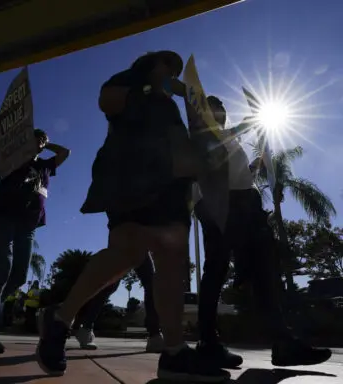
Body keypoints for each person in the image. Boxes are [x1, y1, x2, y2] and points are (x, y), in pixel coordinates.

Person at [36, 51, 229, 382]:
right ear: (150, 64)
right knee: (127, 251)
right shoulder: (129, 83)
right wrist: (147, 87)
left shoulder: (171, 106)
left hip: (172, 186)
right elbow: (108, 103)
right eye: (166, 65)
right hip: (132, 177)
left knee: (172, 262)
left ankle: (174, 352)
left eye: (177, 69)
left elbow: (179, 143)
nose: (172, 72)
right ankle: (61, 317)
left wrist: (201, 158)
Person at [194, 95, 332, 369]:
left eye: (220, 106)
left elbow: (233, 169)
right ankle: (208, 342)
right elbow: (212, 153)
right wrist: (253, 120)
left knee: (265, 273)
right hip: (218, 202)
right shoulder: (201, 136)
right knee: (216, 269)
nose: (218, 110)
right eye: (211, 106)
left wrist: (253, 168)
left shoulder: (229, 138)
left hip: (247, 205)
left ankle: (283, 342)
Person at [0, 127, 70, 353]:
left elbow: (65, 152)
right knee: (2, 266)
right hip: (1, 216)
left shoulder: (43, 166)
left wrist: (44, 143)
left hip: (28, 225)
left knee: (20, 274)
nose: (39, 142)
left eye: (42, 139)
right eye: (35, 138)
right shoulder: (12, 159)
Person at [74, 254, 163, 353]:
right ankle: (85, 326)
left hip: (141, 244)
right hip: (122, 245)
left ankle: (155, 335)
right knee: (109, 286)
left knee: (151, 284)